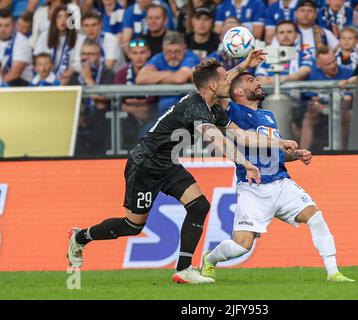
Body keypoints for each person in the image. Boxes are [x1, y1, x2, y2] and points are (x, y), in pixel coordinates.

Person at [67, 51, 298, 284]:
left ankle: (184, 269)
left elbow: (241, 134)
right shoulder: (195, 108)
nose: (230, 82)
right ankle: (80, 237)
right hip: (145, 165)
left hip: (167, 164)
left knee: (199, 206)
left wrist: (279, 142)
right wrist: (244, 162)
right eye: (225, 79)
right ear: (212, 85)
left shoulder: (212, 106)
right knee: (132, 226)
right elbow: (218, 140)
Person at [201, 72, 355, 283]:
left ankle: (333, 272)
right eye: (250, 81)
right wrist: (243, 65)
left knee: (315, 217)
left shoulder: (269, 117)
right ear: (237, 91)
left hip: (281, 183)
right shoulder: (232, 112)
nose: (257, 82)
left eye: (256, 79)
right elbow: (220, 86)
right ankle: (210, 258)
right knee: (241, 246)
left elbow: (278, 153)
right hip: (252, 188)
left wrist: (296, 155)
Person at [281, 46, 354, 150]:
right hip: (318, 112)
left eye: (334, 61)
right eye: (328, 64)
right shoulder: (312, 75)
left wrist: (329, 107)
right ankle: (302, 153)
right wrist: (319, 106)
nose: (333, 66)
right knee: (309, 116)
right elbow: (312, 101)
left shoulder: (348, 73)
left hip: (341, 109)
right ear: (319, 65)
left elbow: (347, 100)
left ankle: (343, 152)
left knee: (348, 115)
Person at [67, 39, 116, 155]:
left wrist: (88, 79)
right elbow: (70, 102)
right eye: (83, 54)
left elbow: (102, 103)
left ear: (99, 56)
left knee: (99, 112)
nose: (86, 58)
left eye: (91, 54)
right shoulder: (75, 76)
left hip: (102, 123)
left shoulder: (108, 73)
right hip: (80, 121)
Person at [136, 31, 200, 115]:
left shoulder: (190, 57)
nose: (173, 55)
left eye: (177, 51)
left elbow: (179, 79)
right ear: (163, 49)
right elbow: (140, 78)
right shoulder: (159, 58)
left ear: (184, 49)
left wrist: (157, 77)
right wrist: (168, 73)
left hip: (189, 113)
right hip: (163, 114)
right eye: (169, 51)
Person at [114, 37, 158, 147]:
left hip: (152, 117)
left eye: (142, 52)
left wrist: (130, 104)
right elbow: (119, 103)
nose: (139, 57)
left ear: (148, 53)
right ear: (129, 55)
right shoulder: (122, 73)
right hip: (128, 121)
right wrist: (140, 106)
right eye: (135, 53)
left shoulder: (156, 71)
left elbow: (152, 104)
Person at [34, 4, 82, 79]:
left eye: (66, 17)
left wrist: (69, 72)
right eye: (59, 17)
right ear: (54, 20)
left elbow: (79, 62)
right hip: (46, 77)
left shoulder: (78, 38)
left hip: (69, 78)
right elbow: (38, 58)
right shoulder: (45, 36)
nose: (62, 20)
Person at [0, 9, 33, 86]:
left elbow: (15, 73)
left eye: (7, 25)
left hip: (20, 84)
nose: (3, 29)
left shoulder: (22, 41)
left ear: (14, 25)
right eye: (0, 25)